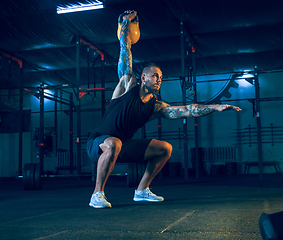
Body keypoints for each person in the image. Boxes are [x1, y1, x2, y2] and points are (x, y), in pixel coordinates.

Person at [86, 10, 242, 208]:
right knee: (113, 142)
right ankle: (96, 194)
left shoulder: (156, 107)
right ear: (143, 78)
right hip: (98, 144)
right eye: (154, 76)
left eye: (160, 77)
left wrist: (216, 107)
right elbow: (125, 49)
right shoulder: (127, 85)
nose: (159, 79)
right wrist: (125, 23)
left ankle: (142, 190)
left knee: (165, 148)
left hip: (122, 145)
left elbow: (187, 110)